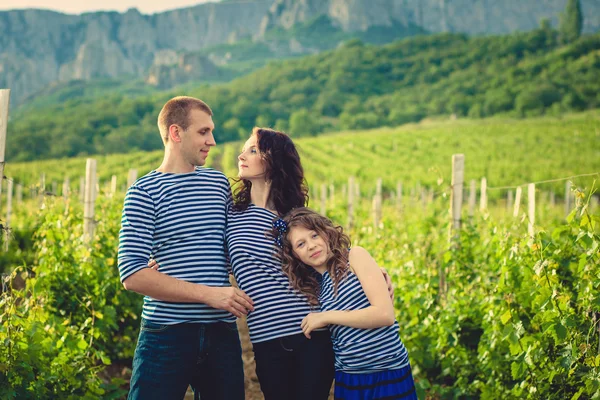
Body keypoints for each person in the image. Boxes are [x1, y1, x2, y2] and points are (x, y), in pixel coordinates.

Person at [117, 96, 253, 400]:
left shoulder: (217, 184)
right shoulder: (143, 193)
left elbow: (237, 247)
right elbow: (132, 274)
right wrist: (211, 294)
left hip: (221, 333)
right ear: (176, 133)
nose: (213, 141)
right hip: (166, 333)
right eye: (203, 132)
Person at [225, 127, 335, 400]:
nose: (242, 155)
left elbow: (335, 257)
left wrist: (376, 273)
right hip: (265, 337)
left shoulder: (296, 216)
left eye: (252, 150)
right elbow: (202, 249)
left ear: (273, 159)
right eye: (243, 149)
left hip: (312, 332)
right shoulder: (231, 214)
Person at [275, 207, 418, 400]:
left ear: (326, 232)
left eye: (314, 235)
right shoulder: (314, 288)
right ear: (295, 255)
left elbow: (385, 315)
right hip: (350, 377)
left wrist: (326, 316)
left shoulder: (354, 257)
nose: (311, 245)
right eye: (301, 244)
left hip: (387, 369)